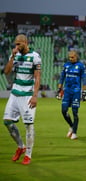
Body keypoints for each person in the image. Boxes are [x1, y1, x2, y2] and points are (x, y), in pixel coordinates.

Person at [3, 34, 42, 165]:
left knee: (28, 125)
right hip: (15, 93)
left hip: (27, 95)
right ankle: (21, 146)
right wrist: (13, 56)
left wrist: (35, 96)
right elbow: (6, 71)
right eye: (15, 44)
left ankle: (28, 155)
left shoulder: (35, 57)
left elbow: (37, 78)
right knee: (7, 121)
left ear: (25, 42)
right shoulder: (15, 55)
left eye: (19, 44)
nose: (17, 46)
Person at [56, 50, 86, 140]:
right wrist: (59, 89)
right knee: (63, 110)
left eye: (72, 57)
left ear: (76, 57)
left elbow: (84, 80)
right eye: (69, 57)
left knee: (75, 112)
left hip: (76, 91)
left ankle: (74, 132)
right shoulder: (66, 65)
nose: (71, 59)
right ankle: (71, 126)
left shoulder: (81, 66)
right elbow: (62, 78)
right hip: (67, 91)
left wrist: (84, 92)